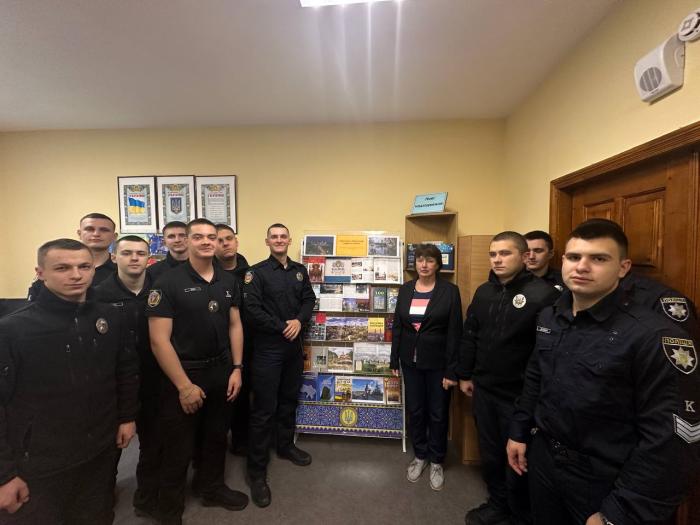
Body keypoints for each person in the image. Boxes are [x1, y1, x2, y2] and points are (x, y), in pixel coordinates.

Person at [506, 219, 700, 525]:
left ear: (623, 268)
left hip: (606, 480)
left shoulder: (652, 335)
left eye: (598, 258)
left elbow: (671, 441)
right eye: (574, 257)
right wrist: (518, 431)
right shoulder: (550, 316)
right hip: (546, 460)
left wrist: (619, 513)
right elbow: (535, 378)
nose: (582, 267)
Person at [0, 239, 138, 524]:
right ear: (40, 273)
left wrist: (127, 417)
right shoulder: (14, 329)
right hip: (39, 460)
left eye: (84, 267)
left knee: (97, 516)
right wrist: (4, 475)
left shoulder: (109, 316)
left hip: (99, 449)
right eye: (62, 268)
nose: (76, 275)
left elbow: (124, 369)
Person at [146, 218, 247, 525]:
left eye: (211, 237)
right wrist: (184, 386)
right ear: (188, 241)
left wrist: (237, 368)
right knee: (178, 446)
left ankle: (211, 488)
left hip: (221, 370)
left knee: (216, 437)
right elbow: (158, 340)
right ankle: (169, 510)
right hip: (184, 374)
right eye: (199, 236)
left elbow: (235, 325)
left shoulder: (228, 281)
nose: (206, 241)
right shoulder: (167, 282)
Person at [458, 231, 559, 525]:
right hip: (484, 389)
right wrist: (465, 374)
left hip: (520, 395)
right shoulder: (483, 292)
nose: (497, 260)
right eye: (493, 254)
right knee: (490, 453)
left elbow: (545, 355)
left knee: (518, 456)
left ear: (524, 256)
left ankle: (519, 514)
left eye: (505, 253)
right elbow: (470, 335)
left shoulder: (544, 295)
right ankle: (498, 505)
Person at [243, 223, 316, 508]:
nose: (278, 240)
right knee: (263, 409)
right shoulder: (256, 273)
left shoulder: (299, 270)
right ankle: (257, 472)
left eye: (283, 236)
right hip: (268, 349)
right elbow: (252, 310)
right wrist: (282, 326)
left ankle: (285, 446)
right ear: (267, 241)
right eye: (274, 237)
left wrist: (299, 320)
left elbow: (309, 299)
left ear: (289, 240)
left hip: (293, 349)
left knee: (288, 401)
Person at [93, 235, 162, 520]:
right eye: (127, 253)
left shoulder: (160, 290)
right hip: (115, 382)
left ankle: (146, 499)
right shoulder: (97, 294)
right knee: (112, 446)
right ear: (114, 257)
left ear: (149, 258)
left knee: (153, 443)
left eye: (140, 253)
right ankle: (102, 497)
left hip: (154, 378)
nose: (134, 258)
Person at [390, 243, 463, 491]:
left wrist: (452, 371)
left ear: (438, 264)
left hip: (439, 364)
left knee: (438, 412)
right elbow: (398, 326)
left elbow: (455, 332)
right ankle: (420, 455)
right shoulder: (406, 289)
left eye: (430, 260)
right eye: (420, 259)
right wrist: (394, 360)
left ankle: (437, 460)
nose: (424, 264)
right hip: (410, 362)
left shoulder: (450, 291)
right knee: (416, 410)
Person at [214, 224, 251, 456]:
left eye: (229, 238)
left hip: (249, 343)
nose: (225, 243)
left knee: (243, 395)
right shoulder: (208, 274)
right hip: (218, 345)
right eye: (219, 240)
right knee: (220, 397)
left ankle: (241, 441)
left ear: (236, 241)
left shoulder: (252, 273)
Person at [27, 213, 118, 301]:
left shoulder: (121, 270)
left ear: (114, 237)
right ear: (79, 233)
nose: (96, 234)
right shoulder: (51, 268)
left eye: (104, 230)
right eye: (89, 229)